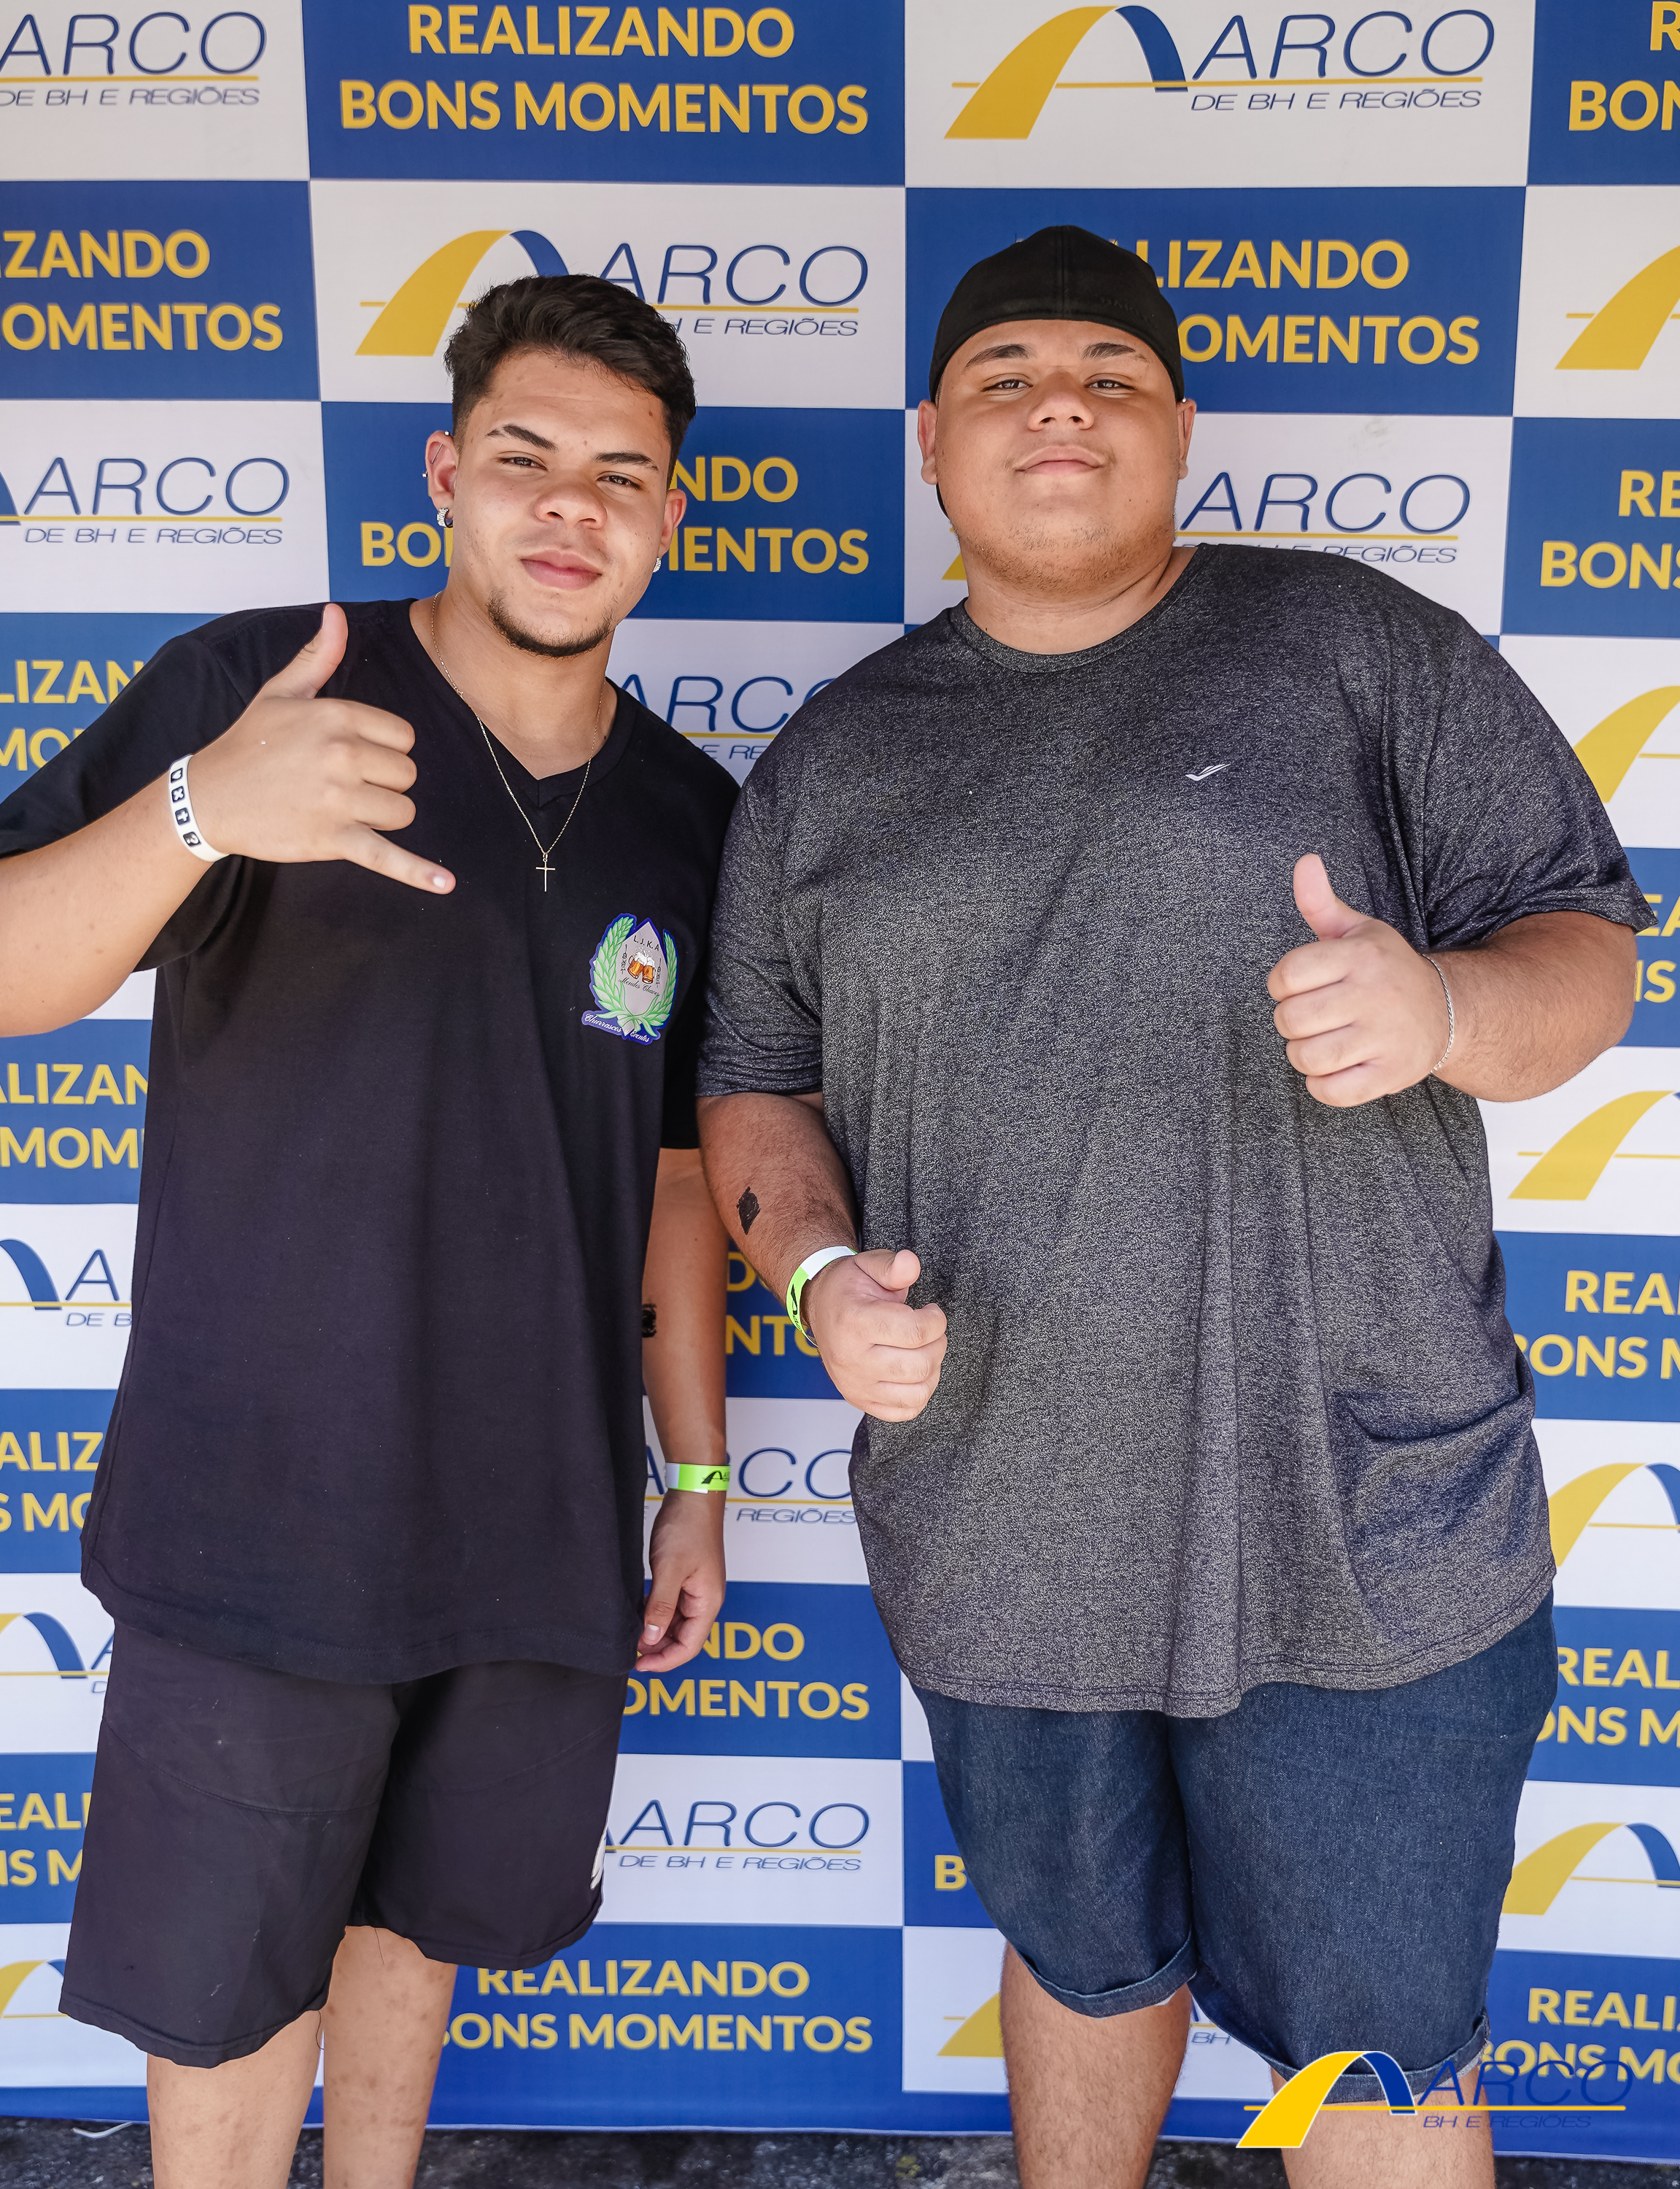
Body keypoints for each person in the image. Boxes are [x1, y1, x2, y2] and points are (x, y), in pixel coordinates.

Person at [695, 226, 1648, 2189]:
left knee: (1380, 2051)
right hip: (1001, 1522)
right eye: (1008, 376)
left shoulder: (1358, 649)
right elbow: (753, 1083)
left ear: (1183, 428)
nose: (1061, 406)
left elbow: (1588, 952)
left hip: (1360, 1521)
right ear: (932, 442)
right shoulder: (830, 760)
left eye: (1112, 375)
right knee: (1082, 1960)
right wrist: (811, 1270)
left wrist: (1445, 1009)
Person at [0, 274, 738, 2189]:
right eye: (526, 456)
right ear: (446, 475)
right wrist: (203, 811)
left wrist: (697, 1476)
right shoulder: (266, 688)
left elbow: (677, 1182)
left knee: (416, 1932)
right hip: (259, 1513)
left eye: (622, 474)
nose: (572, 505)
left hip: (532, 1515)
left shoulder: (694, 817)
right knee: (225, 2001)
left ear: (670, 517)